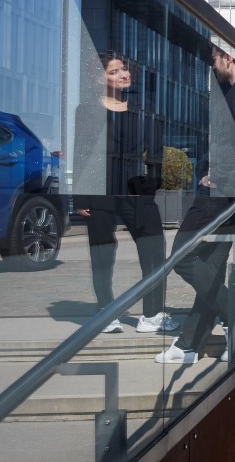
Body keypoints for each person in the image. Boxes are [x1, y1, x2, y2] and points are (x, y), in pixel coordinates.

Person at [156, 43, 235, 364]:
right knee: (212, 269)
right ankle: (189, 344)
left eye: (214, 60)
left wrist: (216, 175)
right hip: (232, 192)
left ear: (227, 57)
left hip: (221, 193)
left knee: (182, 257)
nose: (212, 66)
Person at [72, 51, 177, 335]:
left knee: (154, 249)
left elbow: (155, 152)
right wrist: (80, 198)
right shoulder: (86, 110)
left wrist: (152, 185)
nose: (123, 74)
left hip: (136, 187)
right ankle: (106, 312)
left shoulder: (145, 107)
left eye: (124, 69)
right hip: (100, 189)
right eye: (114, 71)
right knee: (102, 253)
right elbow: (81, 154)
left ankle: (152, 314)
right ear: (99, 79)